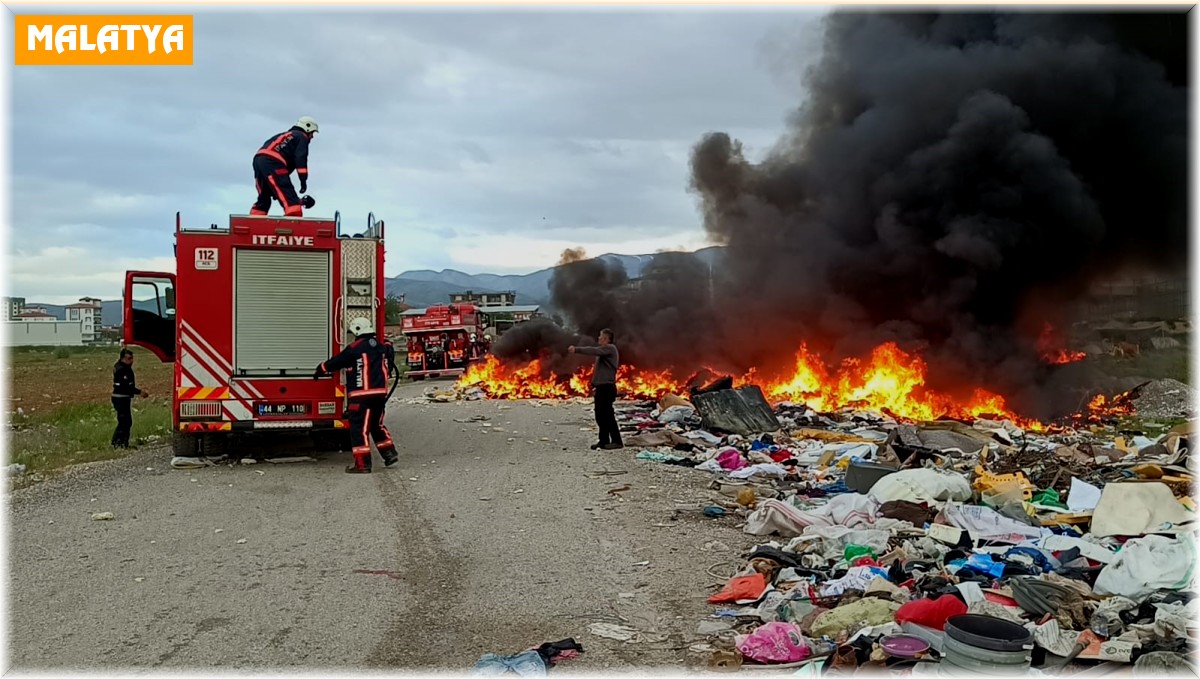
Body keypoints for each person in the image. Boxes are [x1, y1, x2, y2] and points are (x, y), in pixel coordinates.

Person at [313, 318, 398, 473]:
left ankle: (362, 465)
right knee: (376, 425)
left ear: (357, 330)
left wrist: (321, 368)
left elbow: (336, 362)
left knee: (359, 429)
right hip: (379, 394)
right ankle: (389, 453)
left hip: (361, 396)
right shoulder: (381, 347)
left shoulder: (354, 348)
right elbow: (389, 351)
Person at [250, 116, 319, 217]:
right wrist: (303, 180)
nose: (312, 137)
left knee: (264, 196)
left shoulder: (284, 135)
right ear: (307, 127)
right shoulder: (301, 136)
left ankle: (255, 220)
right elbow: (301, 158)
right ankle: (294, 219)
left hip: (259, 160)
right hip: (273, 161)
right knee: (288, 194)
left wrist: (301, 201)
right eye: (312, 133)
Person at [568, 328, 623, 450]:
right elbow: (600, 370)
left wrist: (577, 349)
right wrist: (594, 383)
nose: (598, 338)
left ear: (606, 339)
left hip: (607, 388)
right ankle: (603, 441)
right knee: (600, 415)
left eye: (600, 336)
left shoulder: (610, 348)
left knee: (608, 415)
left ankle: (617, 441)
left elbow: (593, 350)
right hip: (601, 387)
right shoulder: (603, 352)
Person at [111, 348, 149, 448]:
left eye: (132, 358)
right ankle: (118, 443)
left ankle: (123, 443)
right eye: (129, 358)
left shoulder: (122, 367)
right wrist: (140, 392)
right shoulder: (122, 369)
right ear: (123, 358)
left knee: (126, 421)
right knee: (124, 421)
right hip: (121, 398)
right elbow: (127, 387)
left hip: (123, 397)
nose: (131, 361)